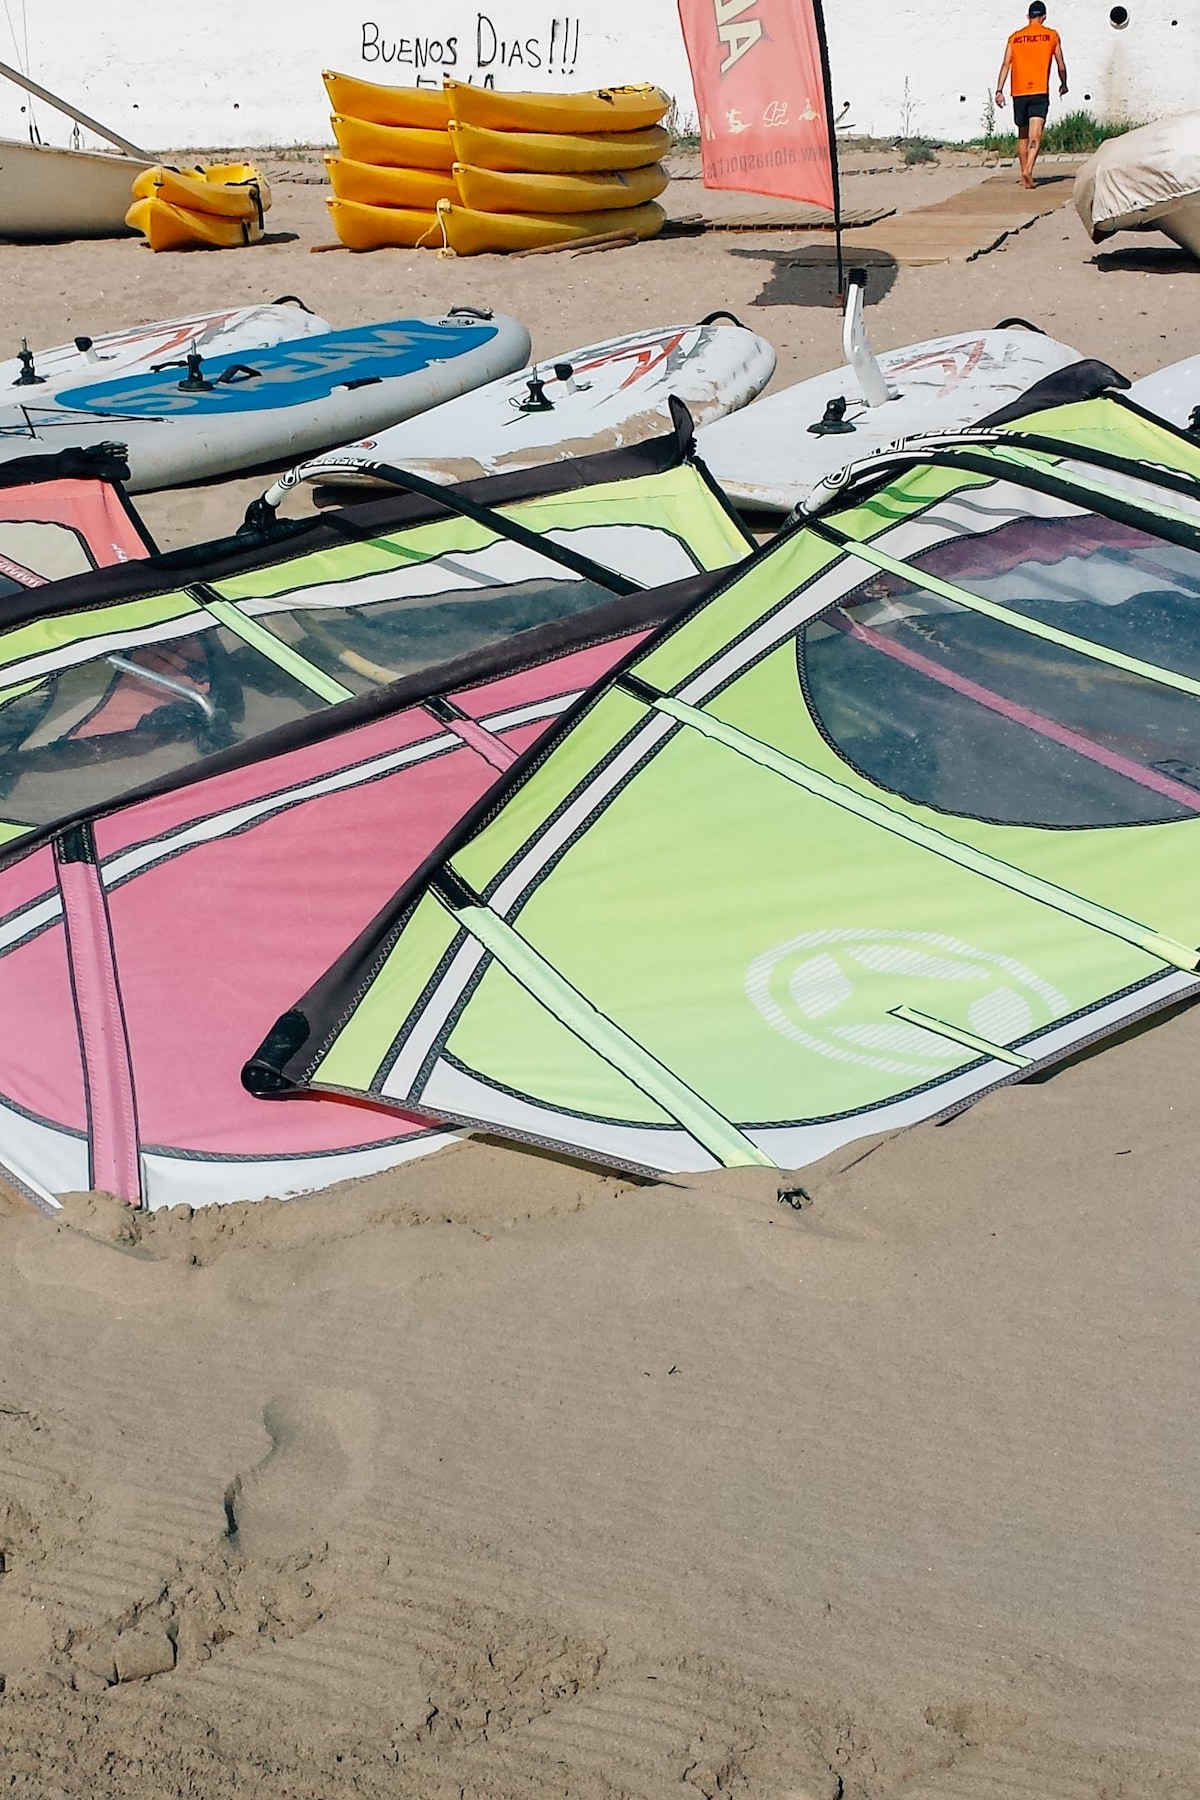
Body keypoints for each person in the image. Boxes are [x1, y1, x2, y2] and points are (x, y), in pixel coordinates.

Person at [995, 2, 1068, 189]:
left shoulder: (1015, 38)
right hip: (1039, 91)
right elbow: (1060, 65)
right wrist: (1063, 83)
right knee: (1035, 134)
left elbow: (1006, 64)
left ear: (1028, 17)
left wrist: (999, 90)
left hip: (1019, 92)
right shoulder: (1051, 35)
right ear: (1044, 16)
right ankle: (1028, 170)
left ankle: (1023, 174)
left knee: (1022, 134)